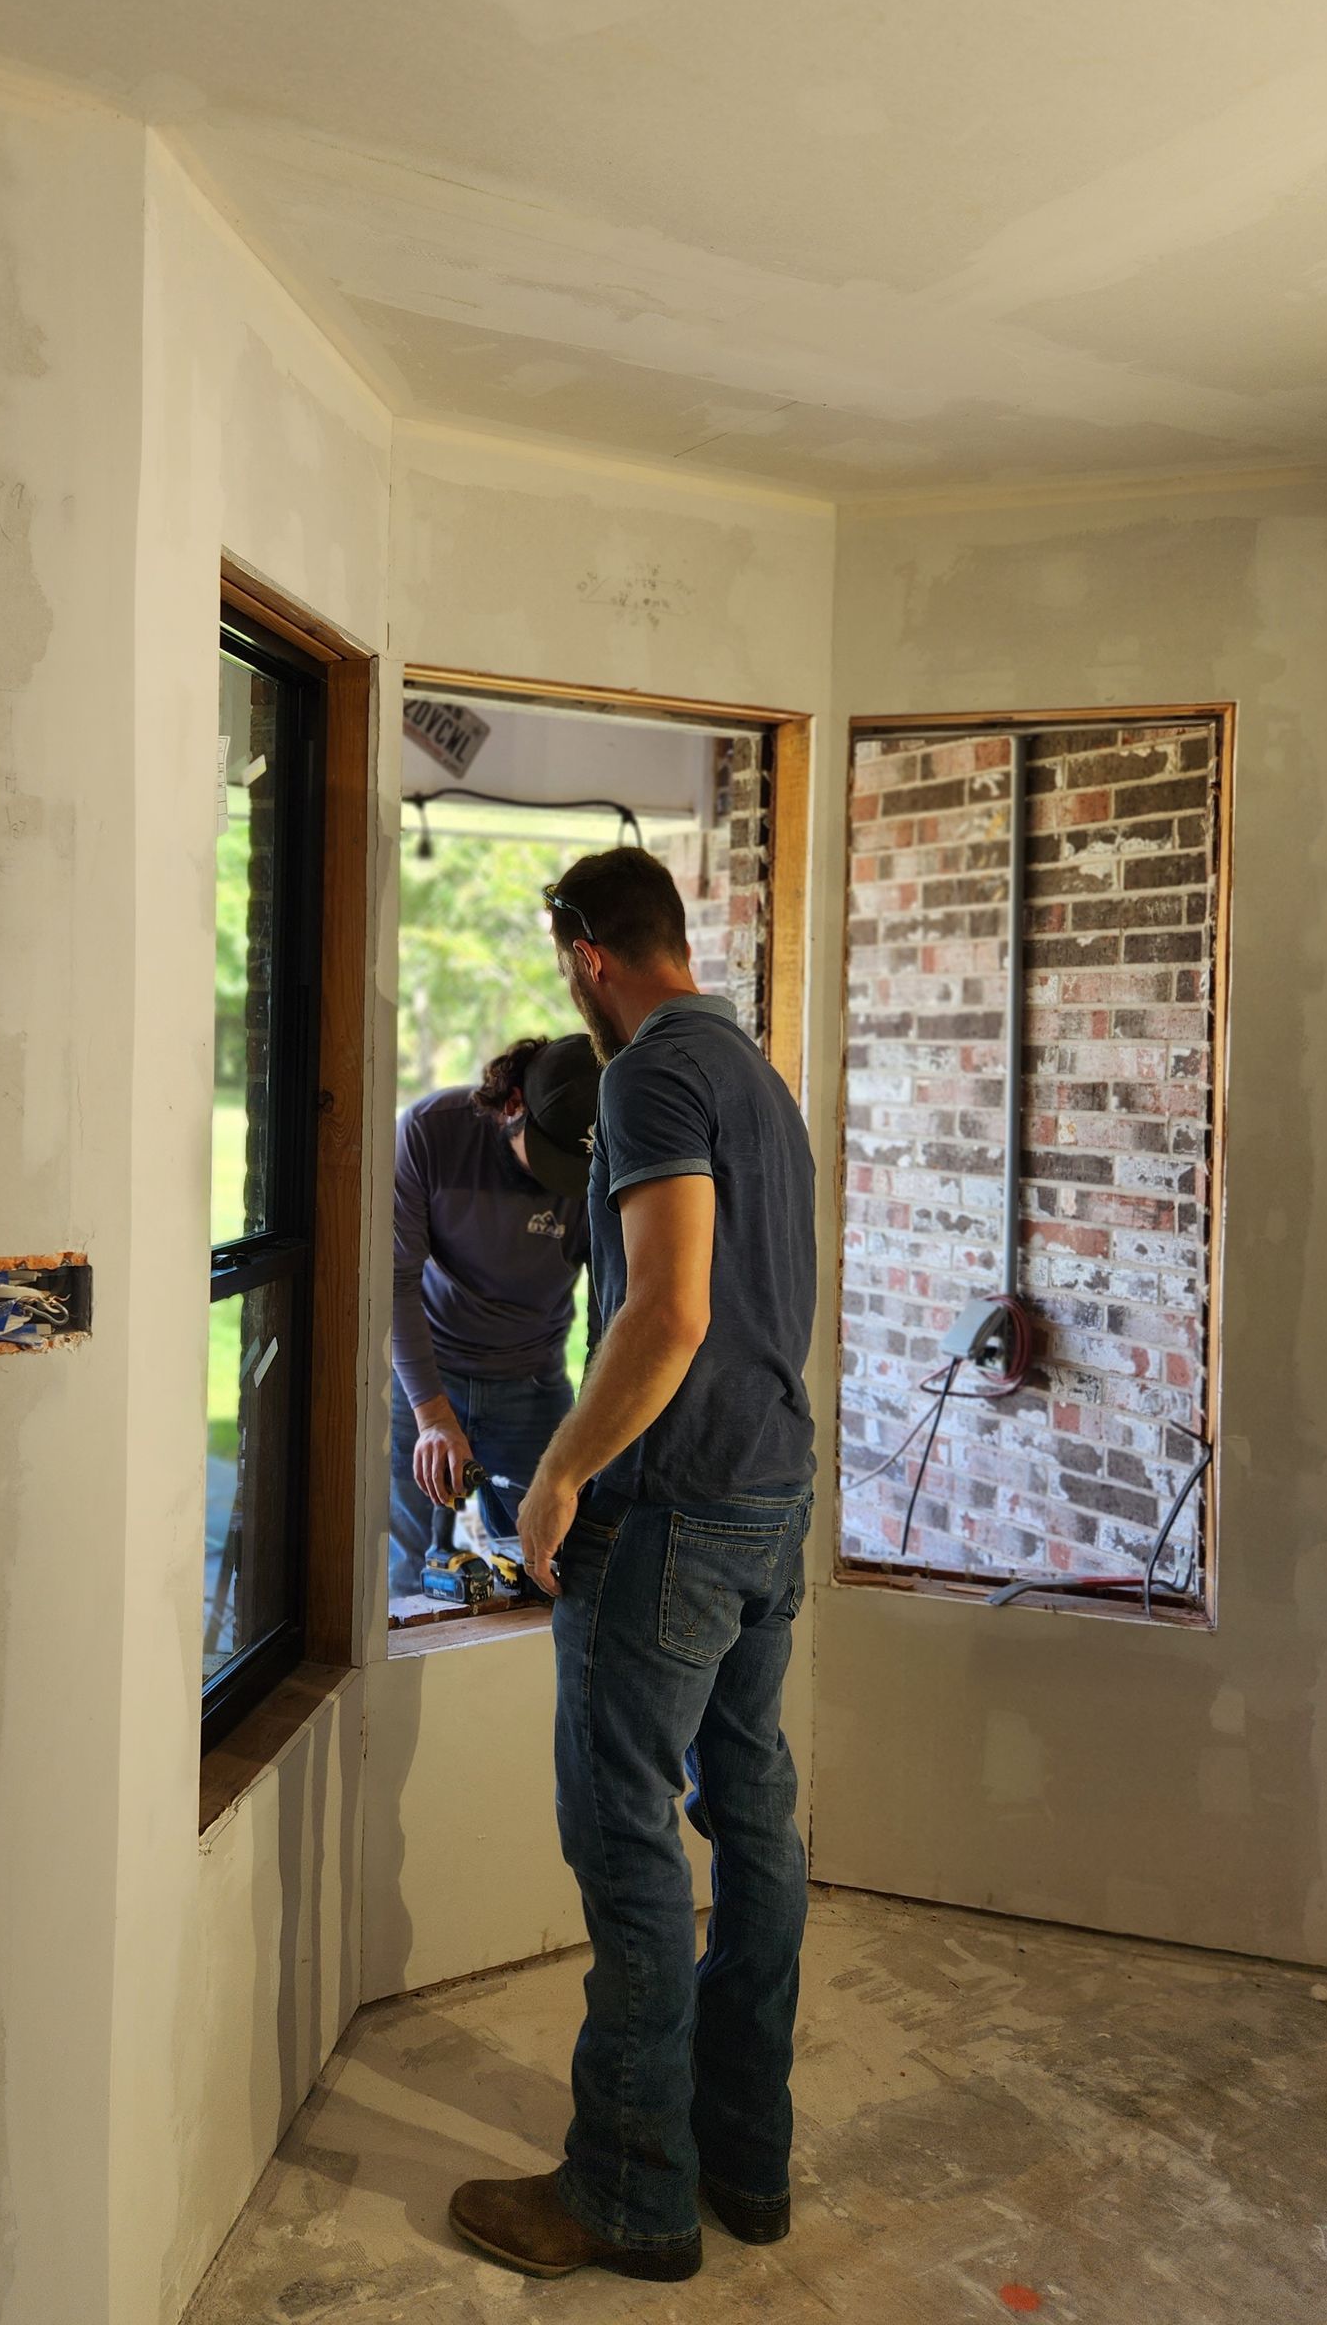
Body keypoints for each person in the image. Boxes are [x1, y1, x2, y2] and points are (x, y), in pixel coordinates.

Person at [448, 846, 817, 2285]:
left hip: (671, 1516)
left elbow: (663, 1313)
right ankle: (746, 2159)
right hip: (768, 1498)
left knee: (627, 1840)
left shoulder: (651, 1074)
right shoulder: (755, 1077)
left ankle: (628, 2191)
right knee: (757, 1826)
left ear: (585, 953)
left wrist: (556, 1475)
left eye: (563, 966)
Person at [390, 1034, 600, 1600]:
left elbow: (615, 1307)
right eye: (553, 1157)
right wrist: (433, 1416)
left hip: (531, 1383)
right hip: (423, 1376)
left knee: (546, 1568)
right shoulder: (431, 1131)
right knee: (404, 1578)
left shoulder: (600, 1163)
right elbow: (394, 1279)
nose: (565, 1183)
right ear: (512, 1105)